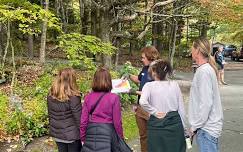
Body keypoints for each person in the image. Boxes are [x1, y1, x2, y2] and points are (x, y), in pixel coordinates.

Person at [139, 59, 186, 152]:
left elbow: (142, 101)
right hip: (175, 125)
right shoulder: (174, 85)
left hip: (156, 126)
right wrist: (185, 130)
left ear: (154, 72)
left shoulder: (148, 86)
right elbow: (181, 109)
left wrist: (154, 112)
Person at [189, 37, 223, 152]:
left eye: (192, 48)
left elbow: (206, 103)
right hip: (206, 129)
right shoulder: (205, 70)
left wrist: (194, 127)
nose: (191, 51)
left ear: (197, 50)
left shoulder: (204, 72)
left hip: (206, 130)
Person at [80, 67, 124, 152]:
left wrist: (83, 137)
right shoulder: (114, 98)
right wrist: (120, 138)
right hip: (107, 134)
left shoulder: (88, 97)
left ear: (95, 80)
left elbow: (83, 121)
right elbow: (117, 122)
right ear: (109, 80)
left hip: (91, 133)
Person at [128, 46, 160, 152]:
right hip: (141, 107)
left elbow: (152, 93)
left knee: (153, 137)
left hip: (151, 108)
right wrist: (128, 75)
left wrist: (133, 91)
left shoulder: (157, 71)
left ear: (150, 57)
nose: (141, 59)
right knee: (143, 136)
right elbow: (138, 79)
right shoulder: (145, 68)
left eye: (143, 57)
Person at [47, 68, 82, 152]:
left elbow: (51, 114)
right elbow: (79, 119)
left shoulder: (51, 95)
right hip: (72, 136)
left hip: (57, 134)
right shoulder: (73, 97)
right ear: (71, 80)